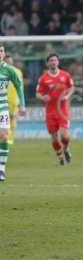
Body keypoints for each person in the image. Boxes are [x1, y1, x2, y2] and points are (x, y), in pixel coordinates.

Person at [36, 53, 74, 166]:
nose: (53, 62)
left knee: (64, 135)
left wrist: (67, 96)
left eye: (55, 60)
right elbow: (38, 93)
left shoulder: (65, 75)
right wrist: (43, 97)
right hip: (50, 112)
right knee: (54, 137)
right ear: (48, 63)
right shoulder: (43, 78)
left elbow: (71, 87)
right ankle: (60, 156)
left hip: (62, 111)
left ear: (58, 62)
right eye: (51, 60)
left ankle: (66, 149)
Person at [0, 45, 26, 182]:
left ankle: (1, 169)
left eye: (1, 50)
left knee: (4, 137)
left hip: (2, 108)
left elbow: (18, 87)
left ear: (4, 54)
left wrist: (22, 105)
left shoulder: (9, 70)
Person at [3, 55, 24, 145]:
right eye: (7, 61)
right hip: (4, 99)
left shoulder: (18, 72)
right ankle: (5, 136)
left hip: (14, 99)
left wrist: (20, 102)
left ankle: (10, 139)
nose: (9, 62)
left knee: (13, 119)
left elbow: (20, 87)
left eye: (10, 61)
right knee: (5, 119)